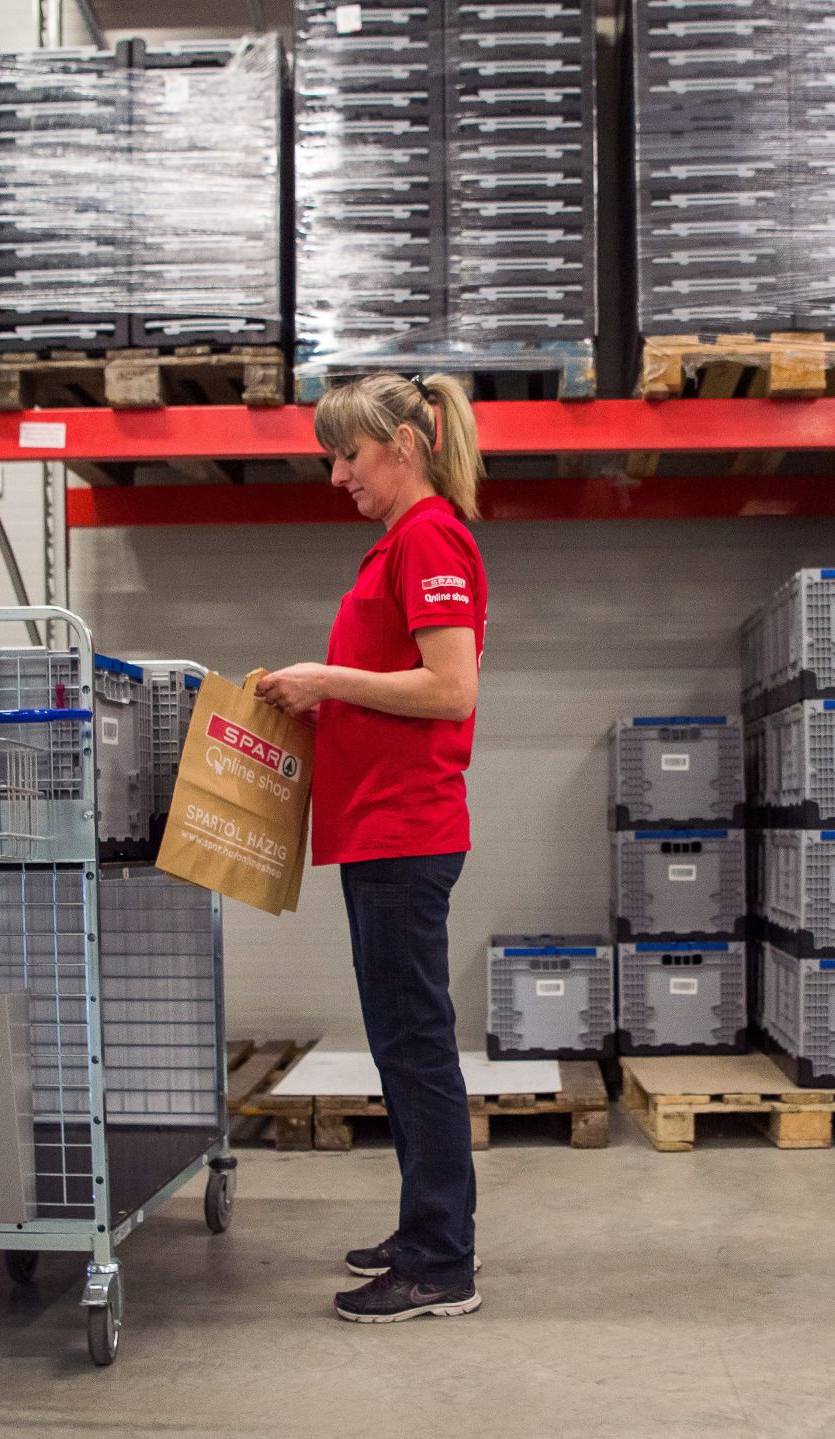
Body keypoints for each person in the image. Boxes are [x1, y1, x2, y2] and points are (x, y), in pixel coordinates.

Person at [256, 373, 489, 1324]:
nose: (338, 474)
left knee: (415, 1043)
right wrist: (319, 702)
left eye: (348, 454)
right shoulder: (398, 543)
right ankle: (427, 1226)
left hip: (405, 829)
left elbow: (451, 689)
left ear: (404, 444)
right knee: (400, 1041)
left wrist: (326, 679)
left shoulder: (430, 537)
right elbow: (402, 685)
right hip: (378, 828)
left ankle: (440, 1265)